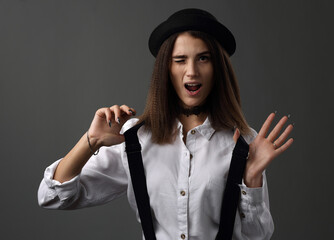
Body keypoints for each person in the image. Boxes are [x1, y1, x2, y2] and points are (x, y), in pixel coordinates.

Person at [38, 8, 294, 240]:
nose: (191, 71)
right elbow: (52, 197)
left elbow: (258, 237)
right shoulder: (135, 139)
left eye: (203, 58)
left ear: (218, 68)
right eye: (180, 60)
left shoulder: (243, 142)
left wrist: (252, 179)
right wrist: (91, 141)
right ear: (166, 69)